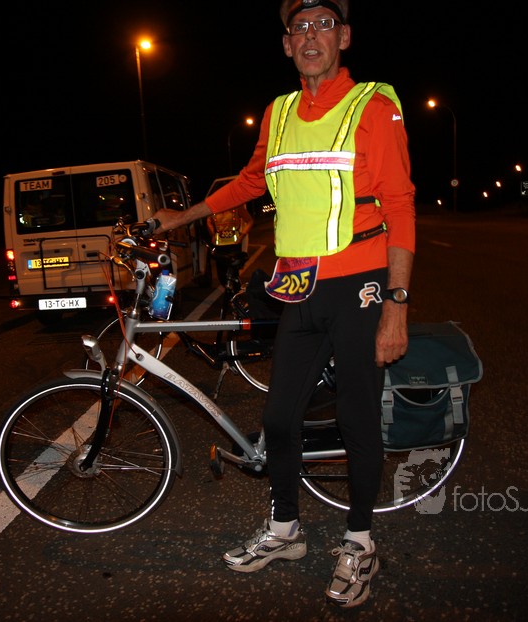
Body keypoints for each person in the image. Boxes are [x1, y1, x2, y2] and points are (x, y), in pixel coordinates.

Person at [152, 0, 415, 608]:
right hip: (300, 284)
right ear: (286, 44)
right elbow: (252, 179)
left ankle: (360, 541)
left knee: (356, 417)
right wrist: (182, 218)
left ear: (344, 37)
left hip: (360, 281)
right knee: (277, 417)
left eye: (324, 24)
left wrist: (396, 304)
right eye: (300, 27)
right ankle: (285, 529)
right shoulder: (279, 111)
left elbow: (401, 205)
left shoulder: (372, 106)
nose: (311, 35)